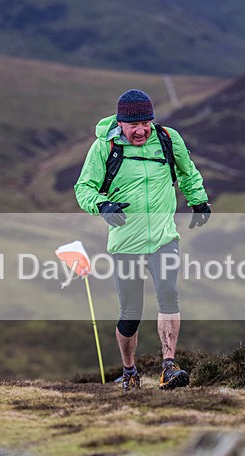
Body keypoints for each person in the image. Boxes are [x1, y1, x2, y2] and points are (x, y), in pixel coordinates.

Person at [74, 89, 211, 391]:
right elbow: (83, 187)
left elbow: (188, 173)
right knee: (130, 314)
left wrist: (198, 201)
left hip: (164, 238)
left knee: (168, 293)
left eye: (146, 123)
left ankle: (169, 367)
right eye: (134, 125)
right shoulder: (104, 147)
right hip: (126, 244)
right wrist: (103, 205)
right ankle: (129, 371)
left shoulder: (167, 139)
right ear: (120, 123)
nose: (141, 130)